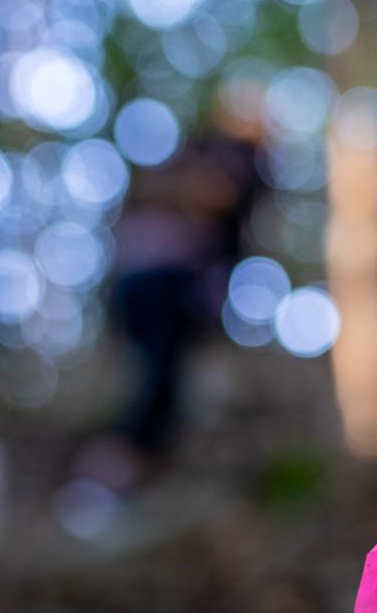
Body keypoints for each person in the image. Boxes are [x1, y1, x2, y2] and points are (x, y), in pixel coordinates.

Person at [75, 116, 262, 493]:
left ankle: (122, 474)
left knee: (163, 380)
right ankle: (103, 480)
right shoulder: (199, 164)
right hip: (156, 285)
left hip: (171, 288)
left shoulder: (228, 172)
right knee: (156, 381)